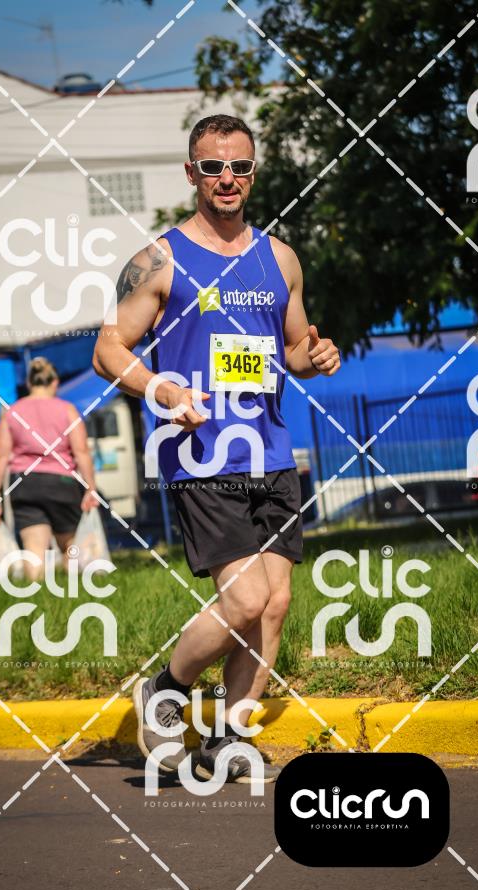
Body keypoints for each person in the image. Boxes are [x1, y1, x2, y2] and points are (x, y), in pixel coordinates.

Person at [93, 114, 340, 782]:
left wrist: (316, 355)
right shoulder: (159, 260)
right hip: (201, 453)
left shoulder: (280, 258)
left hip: (271, 452)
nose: (226, 178)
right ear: (191, 173)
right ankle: (165, 691)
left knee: (276, 604)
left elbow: (293, 348)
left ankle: (227, 738)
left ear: (253, 173)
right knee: (245, 600)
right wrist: (163, 389)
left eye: (239, 166)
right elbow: (107, 348)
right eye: (212, 167)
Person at [0, 356, 99, 579]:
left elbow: (1, 456)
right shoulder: (67, 410)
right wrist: (90, 487)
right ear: (55, 382)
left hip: (25, 484)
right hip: (62, 483)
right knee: (70, 547)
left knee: (34, 551)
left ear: (29, 383)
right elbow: (81, 452)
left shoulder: (12, 412)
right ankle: (74, 593)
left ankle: (37, 596)